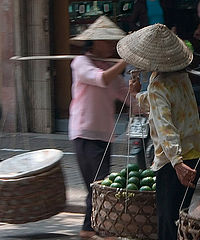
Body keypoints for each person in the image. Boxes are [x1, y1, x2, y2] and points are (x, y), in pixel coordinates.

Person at [117, 24, 200, 240]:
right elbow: (162, 104)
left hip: (175, 164)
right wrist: (138, 95)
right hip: (196, 156)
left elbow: (166, 128)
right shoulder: (181, 78)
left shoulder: (158, 87)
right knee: (181, 218)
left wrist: (177, 163)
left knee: (168, 221)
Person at [69, 16, 129, 239]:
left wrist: (154, 103)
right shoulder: (81, 63)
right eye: (107, 41)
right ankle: (99, 228)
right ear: (93, 42)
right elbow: (101, 79)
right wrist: (124, 63)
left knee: (99, 185)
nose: (111, 46)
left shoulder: (110, 68)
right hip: (85, 133)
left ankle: (89, 228)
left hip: (105, 135)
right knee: (98, 186)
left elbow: (127, 97)